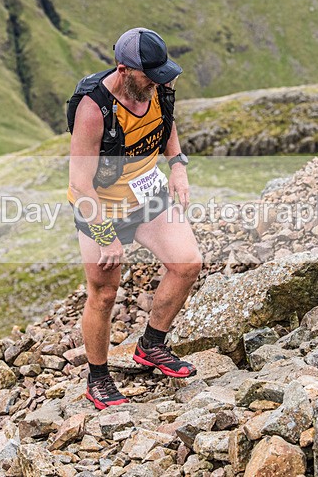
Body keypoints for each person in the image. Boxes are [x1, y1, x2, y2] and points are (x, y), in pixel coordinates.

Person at [67, 27, 202, 410]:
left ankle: (151, 346)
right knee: (105, 293)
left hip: (147, 196)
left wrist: (177, 165)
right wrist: (105, 233)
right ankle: (98, 378)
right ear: (124, 70)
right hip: (100, 205)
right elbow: (79, 182)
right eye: (151, 75)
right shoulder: (94, 109)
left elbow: (167, 123)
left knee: (187, 262)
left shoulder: (156, 86)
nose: (160, 81)